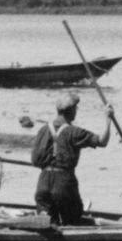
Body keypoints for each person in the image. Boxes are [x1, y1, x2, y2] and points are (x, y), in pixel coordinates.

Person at [31, 94, 107, 225]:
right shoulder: (74, 132)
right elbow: (102, 141)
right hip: (64, 183)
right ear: (71, 110)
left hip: (43, 183)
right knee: (74, 220)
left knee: (47, 224)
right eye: (76, 109)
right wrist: (108, 119)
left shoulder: (43, 130)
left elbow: (35, 160)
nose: (76, 111)